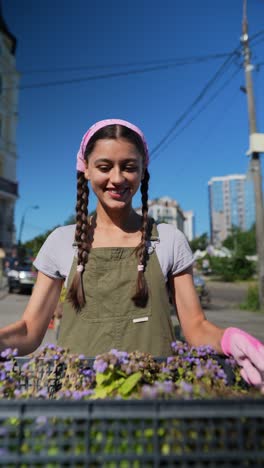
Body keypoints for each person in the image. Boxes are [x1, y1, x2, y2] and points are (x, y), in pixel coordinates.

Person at [0, 118, 263, 390]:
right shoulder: (61, 241)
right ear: (86, 170)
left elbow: (195, 328)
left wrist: (229, 339)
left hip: (154, 402)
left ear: (142, 172)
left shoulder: (170, 240)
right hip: (77, 403)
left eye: (128, 167)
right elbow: (30, 330)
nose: (117, 178)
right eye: (104, 167)